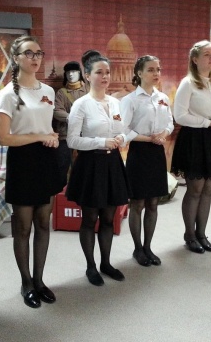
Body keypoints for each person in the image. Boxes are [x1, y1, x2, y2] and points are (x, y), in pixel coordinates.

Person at [0, 35, 63, 309]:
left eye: (38, 53)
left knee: (44, 223)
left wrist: (52, 137)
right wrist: (39, 136)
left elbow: (47, 128)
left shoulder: (48, 91)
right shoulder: (8, 94)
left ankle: (39, 280)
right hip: (22, 160)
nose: (35, 58)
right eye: (28, 53)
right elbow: (3, 137)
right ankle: (26, 283)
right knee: (23, 227)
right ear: (16, 58)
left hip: (46, 159)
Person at [65, 49, 131, 286]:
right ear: (87, 75)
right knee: (89, 218)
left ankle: (106, 263)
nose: (105, 77)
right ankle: (91, 266)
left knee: (109, 218)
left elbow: (123, 131)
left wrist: (121, 139)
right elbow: (72, 140)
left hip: (113, 163)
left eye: (107, 72)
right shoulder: (81, 104)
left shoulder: (115, 103)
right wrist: (101, 142)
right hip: (91, 164)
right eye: (99, 72)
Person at [170, 40, 211, 254]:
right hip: (194, 139)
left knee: (208, 189)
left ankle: (202, 234)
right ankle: (190, 235)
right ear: (195, 59)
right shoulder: (188, 83)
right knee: (195, 189)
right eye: (206, 54)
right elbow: (179, 115)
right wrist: (207, 122)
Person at [120, 55, 174, 267]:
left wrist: (164, 133)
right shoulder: (130, 100)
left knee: (153, 202)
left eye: (158, 69)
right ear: (139, 73)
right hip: (139, 152)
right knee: (138, 202)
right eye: (151, 70)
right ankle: (137, 248)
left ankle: (148, 247)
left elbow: (170, 123)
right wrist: (148, 138)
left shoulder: (163, 98)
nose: (156, 73)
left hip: (157, 152)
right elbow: (123, 129)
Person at [53, 61, 89, 187]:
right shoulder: (61, 93)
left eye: (73, 71)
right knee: (62, 164)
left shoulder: (88, 90)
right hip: (65, 134)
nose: (70, 75)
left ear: (79, 73)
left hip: (85, 134)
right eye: (68, 72)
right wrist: (72, 118)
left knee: (84, 165)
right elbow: (57, 111)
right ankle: (59, 191)